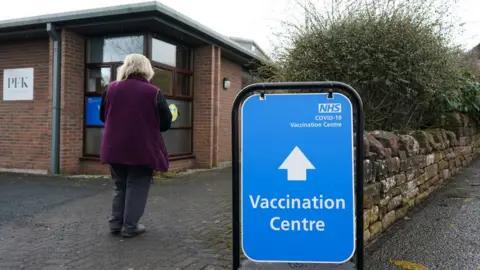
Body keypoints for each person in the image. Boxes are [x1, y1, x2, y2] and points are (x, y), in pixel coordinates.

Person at [99, 53, 172, 238]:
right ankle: (130, 226)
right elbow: (165, 123)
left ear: (126, 67)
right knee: (137, 186)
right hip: (142, 149)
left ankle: (116, 223)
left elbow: (102, 116)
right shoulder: (154, 92)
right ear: (147, 69)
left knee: (120, 186)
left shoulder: (110, 89)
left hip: (113, 147)